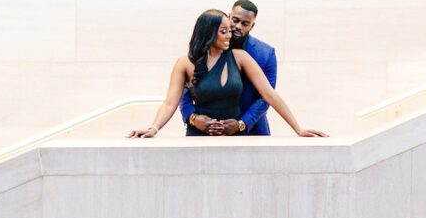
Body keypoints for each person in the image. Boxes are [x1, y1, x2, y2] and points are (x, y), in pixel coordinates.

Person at [127, 9, 327, 138]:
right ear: (208, 33)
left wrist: (298, 129)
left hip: (235, 138)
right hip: (199, 137)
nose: (230, 35)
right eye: (224, 31)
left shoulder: (240, 57)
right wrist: (153, 128)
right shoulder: (184, 63)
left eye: (229, 31)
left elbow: (269, 94)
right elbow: (170, 102)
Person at [180, 0, 275, 136]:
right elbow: (185, 89)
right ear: (229, 16)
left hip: (251, 128)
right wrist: (193, 117)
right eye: (235, 20)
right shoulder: (208, 46)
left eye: (245, 24)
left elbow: (267, 96)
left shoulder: (266, 54)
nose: (237, 26)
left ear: (252, 26)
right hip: (206, 128)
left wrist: (242, 123)